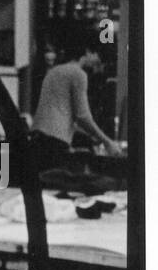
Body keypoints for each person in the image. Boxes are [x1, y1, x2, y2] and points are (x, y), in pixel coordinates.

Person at [31, 35, 121, 170]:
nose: (99, 63)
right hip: (56, 143)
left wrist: (91, 135)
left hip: (37, 138)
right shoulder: (78, 74)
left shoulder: (54, 71)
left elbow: (60, 114)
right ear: (89, 52)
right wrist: (107, 142)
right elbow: (82, 116)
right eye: (98, 57)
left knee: (44, 185)